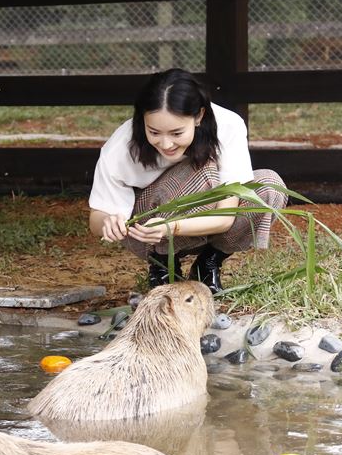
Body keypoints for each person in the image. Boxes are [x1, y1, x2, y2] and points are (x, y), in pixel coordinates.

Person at [88, 68, 288, 294]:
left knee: (269, 185)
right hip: (147, 232)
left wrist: (170, 227)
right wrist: (108, 221)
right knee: (205, 172)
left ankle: (208, 263)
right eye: (154, 132)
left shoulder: (228, 126)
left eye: (176, 133)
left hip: (190, 223)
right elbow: (96, 218)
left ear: (199, 116)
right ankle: (163, 264)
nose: (165, 144)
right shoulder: (120, 147)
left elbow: (224, 218)